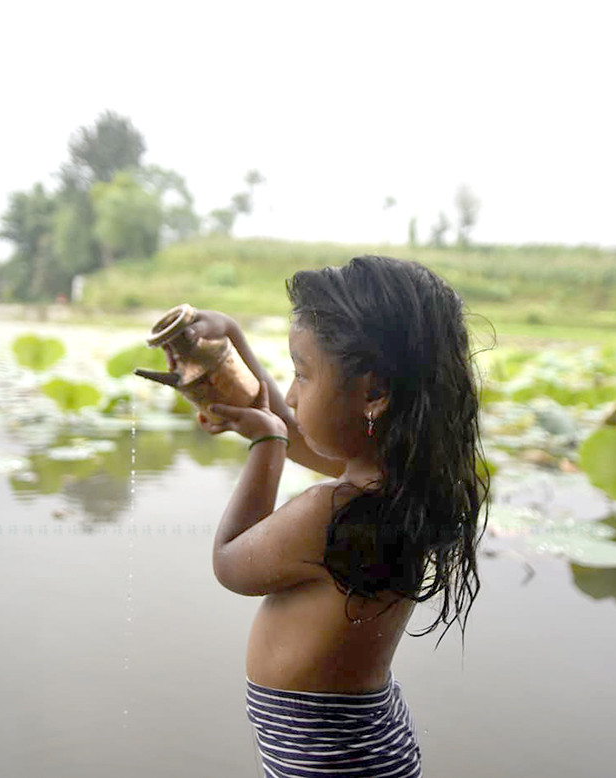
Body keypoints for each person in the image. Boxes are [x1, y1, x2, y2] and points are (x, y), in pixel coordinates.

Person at [185, 256, 487, 777]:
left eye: (302, 373)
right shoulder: (401, 482)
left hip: (327, 765)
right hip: (365, 747)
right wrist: (231, 341)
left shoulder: (331, 510)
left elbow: (230, 563)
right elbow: (297, 426)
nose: (294, 392)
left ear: (372, 392)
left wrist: (265, 446)